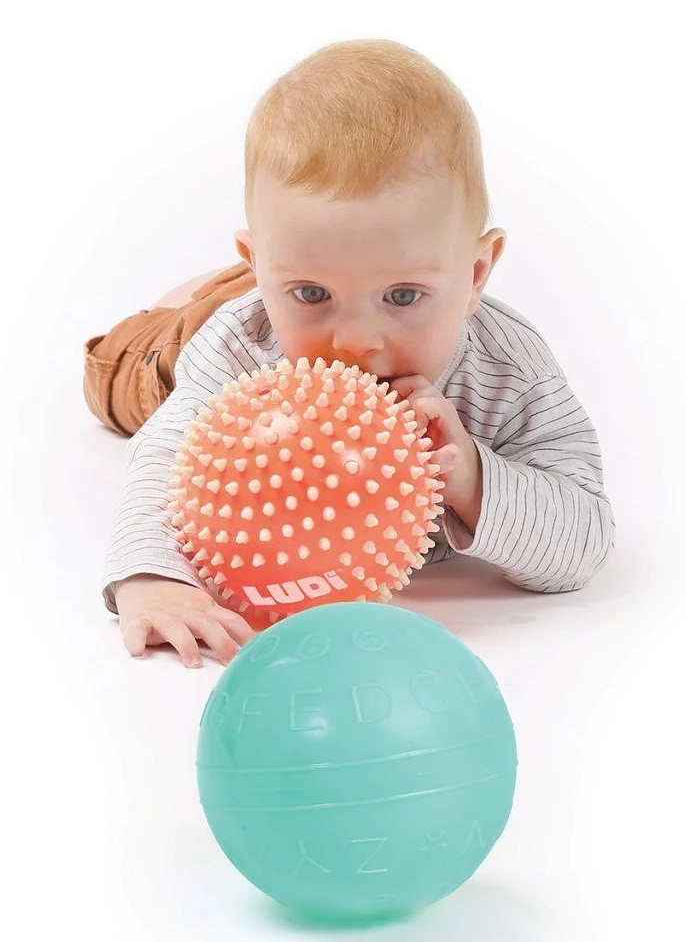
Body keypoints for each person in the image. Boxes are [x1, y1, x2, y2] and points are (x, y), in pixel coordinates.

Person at [90, 38, 615, 668]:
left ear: (476, 273)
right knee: (126, 383)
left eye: (403, 295)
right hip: (183, 342)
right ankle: (198, 300)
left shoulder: (508, 373)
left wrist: (474, 479)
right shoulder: (239, 348)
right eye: (313, 293)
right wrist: (152, 580)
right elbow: (161, 461)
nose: (356, 341)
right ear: (261, 267)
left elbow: (585, 539)